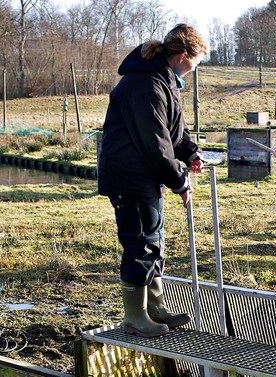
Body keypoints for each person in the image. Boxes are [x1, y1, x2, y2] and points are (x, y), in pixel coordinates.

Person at [98, 23, 209, 338]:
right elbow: (155, 143)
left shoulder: (164, 81)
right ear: (183, 55)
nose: (195, 68)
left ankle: (156, 307)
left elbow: (175, 130)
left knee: (153, 240)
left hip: (143, 176)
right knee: (141, 242)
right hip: (130, 176)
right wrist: (180, 181)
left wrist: (191, 154)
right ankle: (135, 316)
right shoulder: (144, 84)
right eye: (196, 61)